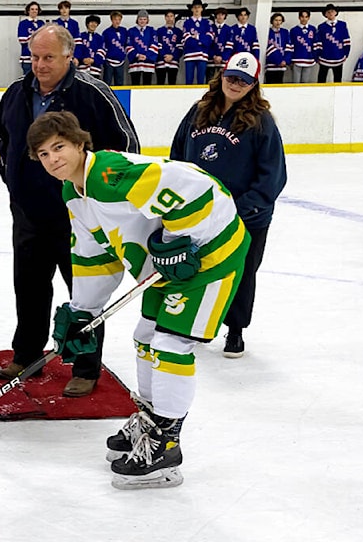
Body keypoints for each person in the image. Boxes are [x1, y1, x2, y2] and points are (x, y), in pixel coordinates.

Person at [26, 110, 249, 489]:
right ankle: (151, 420)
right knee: (145, 338)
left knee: (170, 345)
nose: (53, 159)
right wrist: (84, 311)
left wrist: (181, 238)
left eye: (59, 147)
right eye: (44, 154)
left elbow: (195, 185)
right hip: (166, 271)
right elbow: (94, 255)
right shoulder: (74, 194)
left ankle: (167, 443)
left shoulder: (108, 175)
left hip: (211, 258)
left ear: (81, 144)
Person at [0, 24, 139, 397]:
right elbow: (4, 137)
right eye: (34, 57)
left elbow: (127, 147)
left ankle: (86, 367)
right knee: (28, 287)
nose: (39, 65)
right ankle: (26, 355)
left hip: (81, 220)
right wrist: (10, 176)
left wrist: (101, 197)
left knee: (84, 293)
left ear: (69, 57)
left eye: (48, 58)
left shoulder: (92, 94)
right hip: (28, 215)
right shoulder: (17, 93)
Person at [170, 52, 287, 357]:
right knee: (197, 269)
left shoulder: (261, 122)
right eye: (232, 77)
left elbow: (272, 176)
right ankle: (194, 323)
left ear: (253, 85)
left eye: (243, 81)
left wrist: (241, 208)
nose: (235, 84)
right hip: (200, 212)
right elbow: (178, 155)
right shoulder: (198, 112)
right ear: (222, 75)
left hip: (244, 217)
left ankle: (235, 330)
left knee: (241, 273)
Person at [316, 3, 350, 83]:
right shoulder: (321, 26)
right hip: (324, 57)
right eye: (328, 12)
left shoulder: (342, 25)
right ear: (325, 14)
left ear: (336, 13)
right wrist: (318, 55)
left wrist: (346, 53)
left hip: (338, 57)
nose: (330, 13)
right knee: (321, 80)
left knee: (338, 80)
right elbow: (318, 42)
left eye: (332, 11)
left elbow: (346, 40)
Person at [182, 0, 213, 85]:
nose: (197, 9)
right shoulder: (187, 23)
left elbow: (209, 40)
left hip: (203, 55)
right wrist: (201, 42)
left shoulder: (206, 23)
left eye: (199, 7)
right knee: (189, 80)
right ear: (191, 9)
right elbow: (186, 40)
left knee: (201, 81)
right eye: (195, 7)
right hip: (190, 55)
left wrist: (198, 37)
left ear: (202, 9)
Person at [126, 9, 156, 85]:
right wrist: (137, 55)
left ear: (147, 20)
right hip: (135, 63)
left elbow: (154, 44)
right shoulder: (131, 31)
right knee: (135, 84)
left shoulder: (152, 30)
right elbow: (128, 45)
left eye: (144, 19)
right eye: (140, 19)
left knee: (147, 84)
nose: (142, 21)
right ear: (137, 19)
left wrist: (147, 56)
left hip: (148, 63)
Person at [155, 10, 183, 85]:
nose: (169, 18)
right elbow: (157, 45)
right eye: (168, 16)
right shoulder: (159, 31)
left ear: (174, 18)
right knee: (160, 83)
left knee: (172, 83)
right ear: (165, 18)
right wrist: (164, 55)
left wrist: (172, 56)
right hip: (161, 61)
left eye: (171, 16)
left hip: (173, 62)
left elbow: (180, 47)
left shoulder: (178, 32)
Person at [288, 10, 317, 83]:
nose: (304, 19)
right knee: (295, 82)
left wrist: (315, 56)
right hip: (296, 59)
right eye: (302, 17)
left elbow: (315, 43)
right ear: (299, 17)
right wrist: (290, 58)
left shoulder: (313, 29)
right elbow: (291, 45)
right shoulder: (293, 30)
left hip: (309, 59)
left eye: (306, 17)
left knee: (305, 83)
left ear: (309, 18)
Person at [101, 11, 128, 87]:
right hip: (109, 61)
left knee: (119, 83)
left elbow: (127, 44)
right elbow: (103, 46)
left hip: (120, 61)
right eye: (115, 19)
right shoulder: (106, 32)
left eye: (119, 19)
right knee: (107, 82)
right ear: (112, 20)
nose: (117, 21)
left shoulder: (124, 31)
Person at [18, 1, 45, 75]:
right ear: (28, 11)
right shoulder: (23, 23)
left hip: (40, 57)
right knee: (27, 80)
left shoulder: (41, 23)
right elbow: (22, 40)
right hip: (27, 57)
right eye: (32, 9)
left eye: (36, 9)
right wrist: (35, 37)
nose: (34, 11)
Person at [265, 13, 291, 84]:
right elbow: (267, 49)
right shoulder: (267, 32)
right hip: (270, 65)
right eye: (276, 20)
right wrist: (278, 61)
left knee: (279, 85)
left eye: (280, 20)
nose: (278, 22)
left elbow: (288, 48)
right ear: (272, 21)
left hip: (282, 66)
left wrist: (285, 60)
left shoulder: (285, 32)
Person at [206, 7, 230, 83]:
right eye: (218, 14)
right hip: (211, 60)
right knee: (210, 82)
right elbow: (207, 44)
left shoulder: (229, 29)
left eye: (222, 14)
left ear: (225, 16)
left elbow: (229, 46)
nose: (220, 16)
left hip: (223, 61)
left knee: (223, 82)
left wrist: (222, 57)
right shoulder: (210, 28)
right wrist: (213, 56)